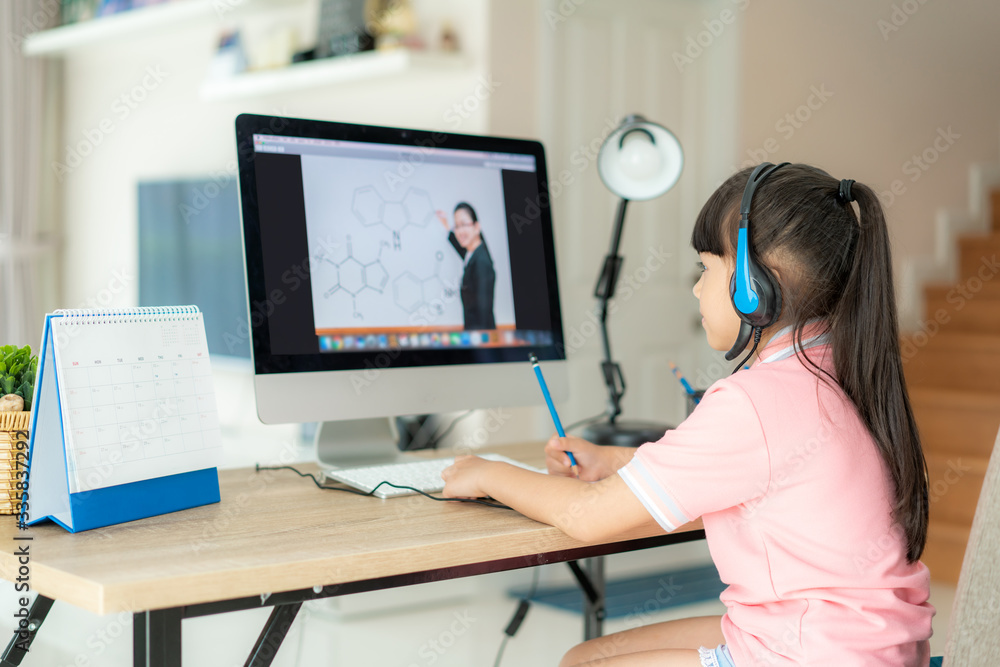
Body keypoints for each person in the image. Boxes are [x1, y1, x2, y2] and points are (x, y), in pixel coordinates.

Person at [442, 164, 934, 666]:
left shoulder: (754, 399)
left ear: (755, 283)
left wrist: (488, 471)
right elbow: (756, 474)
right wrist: (616, 463)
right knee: (584, 656)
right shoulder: (834, 368)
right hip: (859, 641)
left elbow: (588, 518)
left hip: (812, 651)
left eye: (706, 268)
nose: (697, 289)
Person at [438, 202, 496, 330]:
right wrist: (447, 226)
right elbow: (461, 249)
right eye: (457, 226)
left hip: (481, 339)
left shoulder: (481, 263)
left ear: (476, 227)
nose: (459, 231)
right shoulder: (472, 254)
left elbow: (483, 314)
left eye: (464, 224)